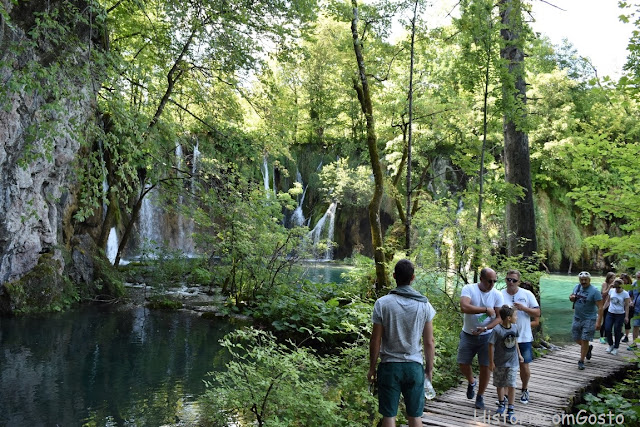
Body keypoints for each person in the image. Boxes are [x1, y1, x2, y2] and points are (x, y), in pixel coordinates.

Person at [368, 259, 436, 427]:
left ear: (394, 276)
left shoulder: (382, 303)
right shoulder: (424, 304)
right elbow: (429, 341)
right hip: (414, 366)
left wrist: (372, 368)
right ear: (412, 277)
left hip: (390, 366)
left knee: (389, 416)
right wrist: (429, 369)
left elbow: (375, 340)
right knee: (415, 417)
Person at [458, 267, 504, 410]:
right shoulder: (469, 289)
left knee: (486, 366)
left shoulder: (497, 295)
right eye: (489, 281)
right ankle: (472, 382)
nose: (492, 284)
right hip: (467, 334)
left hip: (487, 336)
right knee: (462, 362)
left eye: (495, 281)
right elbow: (464, 307)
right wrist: (484, 309)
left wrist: (486, 328)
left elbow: (499, 317)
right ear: (481, 279)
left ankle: (480, 396)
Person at [501, 270, 540, 404]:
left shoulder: (527, 294)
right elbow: (494, 313)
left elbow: (537, 312)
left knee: (524, 366)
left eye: (514, 280)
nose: (511, 282)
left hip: (524, 337)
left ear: (519, 281)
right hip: (506, 337)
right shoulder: (500, 294)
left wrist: (524, 308)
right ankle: (505, 395)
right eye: (508, 279)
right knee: (506, 366)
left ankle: (524, 389)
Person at [489, 305, 524, 423]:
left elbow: (516, 342)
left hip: (513, 362)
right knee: (500, 384)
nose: (517, 318)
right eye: (515, 315)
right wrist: (491, 361)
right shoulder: (497, 330)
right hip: (499, 362)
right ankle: (501, 403)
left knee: (511, 384)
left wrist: (519, 355)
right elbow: (491, 345)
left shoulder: (514, 327)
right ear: (508, 318)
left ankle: (511, 409)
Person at [569, 271, 603, 370]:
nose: (583, 281)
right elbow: (572, 297)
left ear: (589, 280)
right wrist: (571, 298)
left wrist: (598, 322)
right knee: (576, 338)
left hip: (589, 318)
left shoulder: (595, 291)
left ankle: (581, 361)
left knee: (585, 339)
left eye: (585, 280)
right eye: (581, 280)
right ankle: (587, 349)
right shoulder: (577, 287)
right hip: (577, 317)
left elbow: (600, 307)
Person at [603, 278, 630, 355]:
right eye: (616, 287)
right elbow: (608, 301)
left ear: (622, 287)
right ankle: (610, 345)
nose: (617, 289)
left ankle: (616, 347)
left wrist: (626, 317)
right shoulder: (611, 291)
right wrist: (602, 309)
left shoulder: (625, 294)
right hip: (610, 313)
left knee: (617, 330)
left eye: (619, 287)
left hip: (620, 314)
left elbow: (627, 306)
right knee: (607, 329)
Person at [599, 272, 616, 343]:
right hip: (604, 305)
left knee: (610, 322)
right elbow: (604, 293)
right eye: (611, 278)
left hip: (612, 305)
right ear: (608, 278)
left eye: (614, 278)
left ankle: (606, 336)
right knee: (605, 321)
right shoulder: (605, 284)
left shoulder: (615, 285)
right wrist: (610, 287)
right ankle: (601, 336)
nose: (612, 280)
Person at [628, 271, 640, 350]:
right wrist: (631, 301)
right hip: (636, 309)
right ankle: (634, 343)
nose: (639, 279)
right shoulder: (634, 284)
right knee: (635, 326)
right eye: (638, 277)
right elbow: (629, 295)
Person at [620, 273, 633, 342]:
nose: (623, 280)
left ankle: (627, 336)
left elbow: (631, 296)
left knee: (627, 322)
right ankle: (621, 333)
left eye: (624, 279)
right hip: (621, 306)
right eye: (621, 279)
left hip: (628, 306)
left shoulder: (630, 287)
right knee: (620, 321)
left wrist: (630, 302)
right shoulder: (619, 287)